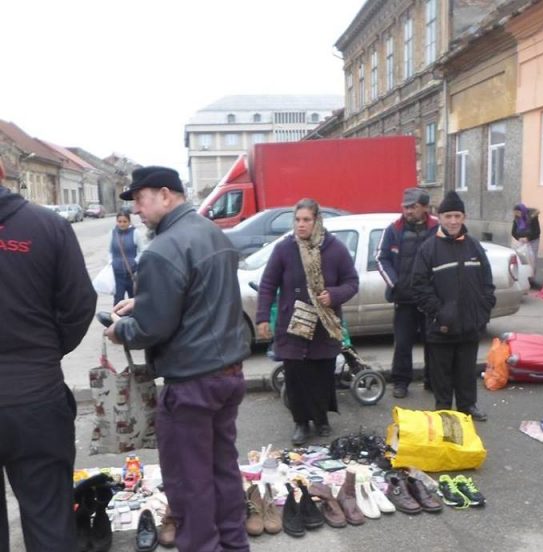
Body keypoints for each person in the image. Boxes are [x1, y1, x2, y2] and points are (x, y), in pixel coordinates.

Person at [104, 166, 250, 552]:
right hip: (227, 375)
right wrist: (146, 301)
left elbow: (152, 328)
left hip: (191, 382)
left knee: (190, 480)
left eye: (140, 198)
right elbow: (201, 296)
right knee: (223, 470)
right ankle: (234, 544)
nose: (136, 208)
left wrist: (122, 329)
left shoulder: (162, 249)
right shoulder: (211, 233)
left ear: (166, 195)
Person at [0, 159, 96, 551]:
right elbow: (79, 305)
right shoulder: (48, 226)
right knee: (49, 520)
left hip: (34, 386)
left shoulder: (47, 225)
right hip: (36, 398)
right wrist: (47, 350)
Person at [256, 198, 359, 445]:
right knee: (296, 377)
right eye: (297, 220)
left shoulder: (335, 249)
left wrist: (333, 295)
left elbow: (352, 282)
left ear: (317, 221)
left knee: (322, 375)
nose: (300, 225)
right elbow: (268, 284)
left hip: (324, 327)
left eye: (306, 220)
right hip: (292, 327)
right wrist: (262, 318)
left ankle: (321, 418)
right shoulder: (284, 249)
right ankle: (301, 423)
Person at [412, 191, 495, 421]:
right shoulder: (428, 249)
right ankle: (444, 410)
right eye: (448, 216)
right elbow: (419, 287)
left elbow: (487, 281)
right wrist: (439, 314)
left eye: (457, 215)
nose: (453, 221)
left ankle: (468, 406)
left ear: (464, 217)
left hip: (470, 324)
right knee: (442, 374)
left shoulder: (474, 247)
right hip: (442, 328)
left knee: (467, 371)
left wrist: (484, 309)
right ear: (439, 217)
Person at [376, 187, 439, 398]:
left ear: (425, 208)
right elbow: (380, 259)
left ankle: (433, 381)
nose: (408, 211)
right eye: (405, 207)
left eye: (413, 207)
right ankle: (401, 382)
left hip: (430, 300)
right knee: (403, 344)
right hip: (404, 300)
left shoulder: (438, 228)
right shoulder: (393, 229)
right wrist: (395, 283)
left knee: (433, 343)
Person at [109, 207, 143, 305]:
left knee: (134, 302)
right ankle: (117, 320)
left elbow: (142, 251)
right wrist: (112, 262)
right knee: (118, 302)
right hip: (117, 275)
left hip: (132, 275)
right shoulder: (113, 233)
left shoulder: (135, 233)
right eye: (119, 221)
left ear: (129, 221)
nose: (122, 224)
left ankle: (135, 319)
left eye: (125, 221)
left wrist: (135, 261)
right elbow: (110, 251)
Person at [511, 203, 541, 272]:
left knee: (531, 259)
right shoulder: (516, 219)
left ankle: (532, 275)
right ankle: (523, 273)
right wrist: (519, 238)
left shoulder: (533, 217)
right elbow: (513, 232)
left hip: (533, 241)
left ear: (522, 211)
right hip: (521, 241)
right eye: (515, 213)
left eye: (518, 212)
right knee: (521, 259)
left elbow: (537, 231)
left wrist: (528, 238)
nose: (517, 215)